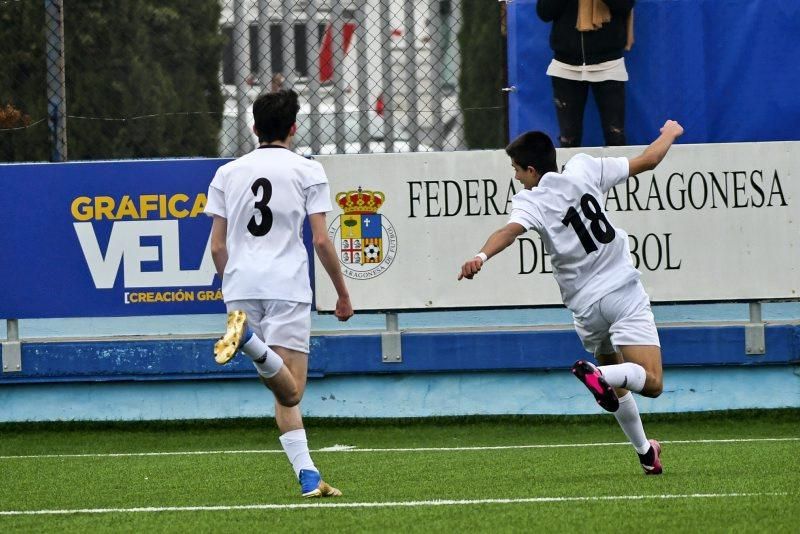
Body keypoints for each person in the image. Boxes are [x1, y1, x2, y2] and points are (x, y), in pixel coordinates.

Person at [458, 119, 684, 475]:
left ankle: (645, 453)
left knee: (616, 379)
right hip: (621, 291)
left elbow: (508, 231)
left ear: (532, 170)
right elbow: (649, 161)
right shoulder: (583, 167)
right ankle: (602, 376)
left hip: (585, 308)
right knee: (651, 382)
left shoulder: (531, 200)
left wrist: (481, 256)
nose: (516, 177)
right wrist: (669, 133)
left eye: (517, 170)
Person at [204, 89, 354, 497]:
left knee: (281, 389)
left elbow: (217, 246)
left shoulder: (227, 173)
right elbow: (322, 241)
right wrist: (342, 293)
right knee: (293, 390)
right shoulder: (308, 170)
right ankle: (249, 342)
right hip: (286, 285)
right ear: (293, 128)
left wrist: (232, 281)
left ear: (253, 128)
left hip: (240, 285)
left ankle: (308, 475)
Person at [537, 0, 635, 147]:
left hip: (608, 64)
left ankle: (616, 170)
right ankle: (572, 170)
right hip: (566, 66)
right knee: (568, 139)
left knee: (615, 136)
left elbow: (625, 5)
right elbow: (544, 13)